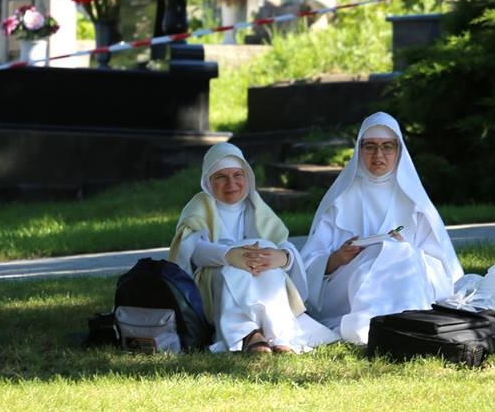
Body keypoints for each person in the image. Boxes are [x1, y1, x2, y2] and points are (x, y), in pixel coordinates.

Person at [299, 111, 464, 345]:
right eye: (370, 147)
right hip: (347, 290)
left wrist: (405, 250)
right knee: (387, 251)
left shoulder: (414, 201)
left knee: (397, 250)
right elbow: (307, 267)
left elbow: (442, 267)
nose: (378, 155)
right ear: (359, 150)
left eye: (387, 147)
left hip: (407, 277)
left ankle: (395, 322)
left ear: (399, 151)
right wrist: (337, 258)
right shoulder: (340, 200)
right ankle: (374, 323)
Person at [169, 142, 338, 353]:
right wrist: (229, 255)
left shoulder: (257, 208)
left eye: (237, 175)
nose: (231, 183)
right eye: (221, 176)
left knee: (268, 257)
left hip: (259, 274)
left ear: (247, 178)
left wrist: (283, 257)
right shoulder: (198, 208)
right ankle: (246, 333)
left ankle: (277, 334)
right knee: (234, 269)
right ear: (208, 181)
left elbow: (283, 244)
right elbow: (192, 251)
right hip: (213, 281)